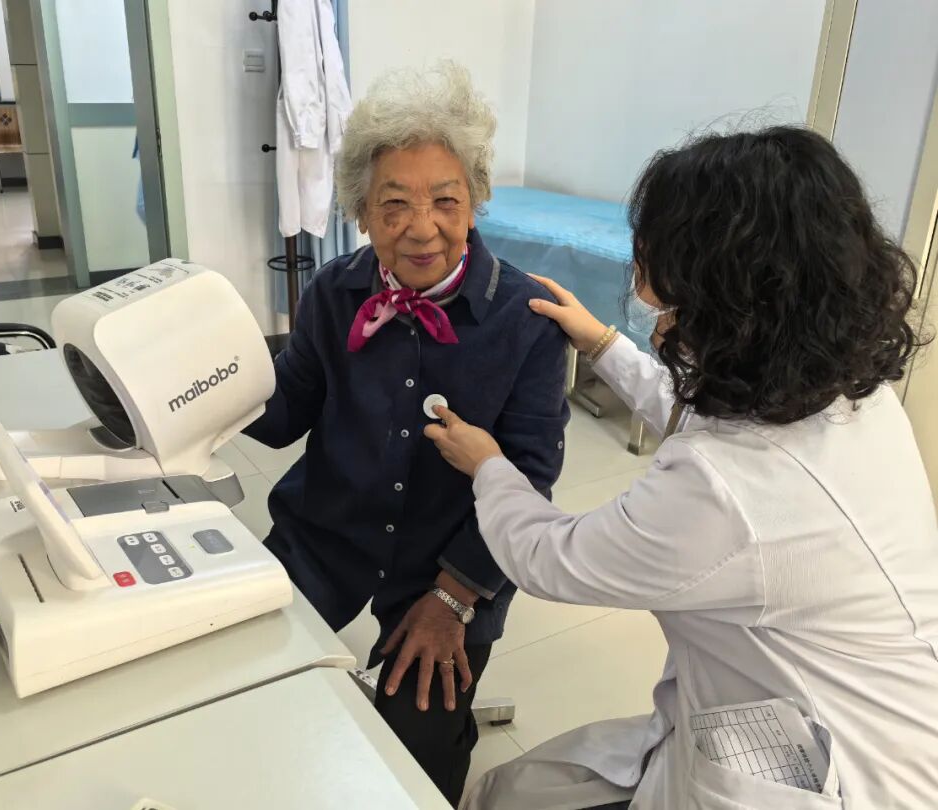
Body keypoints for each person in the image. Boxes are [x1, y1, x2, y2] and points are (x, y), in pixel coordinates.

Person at [425, 126, 938, 809]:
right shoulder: (849, 393)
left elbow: (551, 557)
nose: (651, 311)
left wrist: (489, 466)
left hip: (841, 774)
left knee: (501, 799)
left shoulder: (722, 492)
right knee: (512, 790)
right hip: (815, 709)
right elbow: (710, 411)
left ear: (731, 304)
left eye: (664, 299)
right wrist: (603, 345)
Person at [242, 62, 569, 806]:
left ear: (476, 202)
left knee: (413, 765)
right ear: (361, 211)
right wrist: (203, 385)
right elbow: (283, 413)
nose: (422, 228)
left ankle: (442, 732)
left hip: (449, 568)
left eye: (445, 200)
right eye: (394, 204)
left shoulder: (527, 321)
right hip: (325, 538)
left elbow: (529, 478)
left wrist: (454, 598)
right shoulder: (334, 291)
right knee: (245, 693)